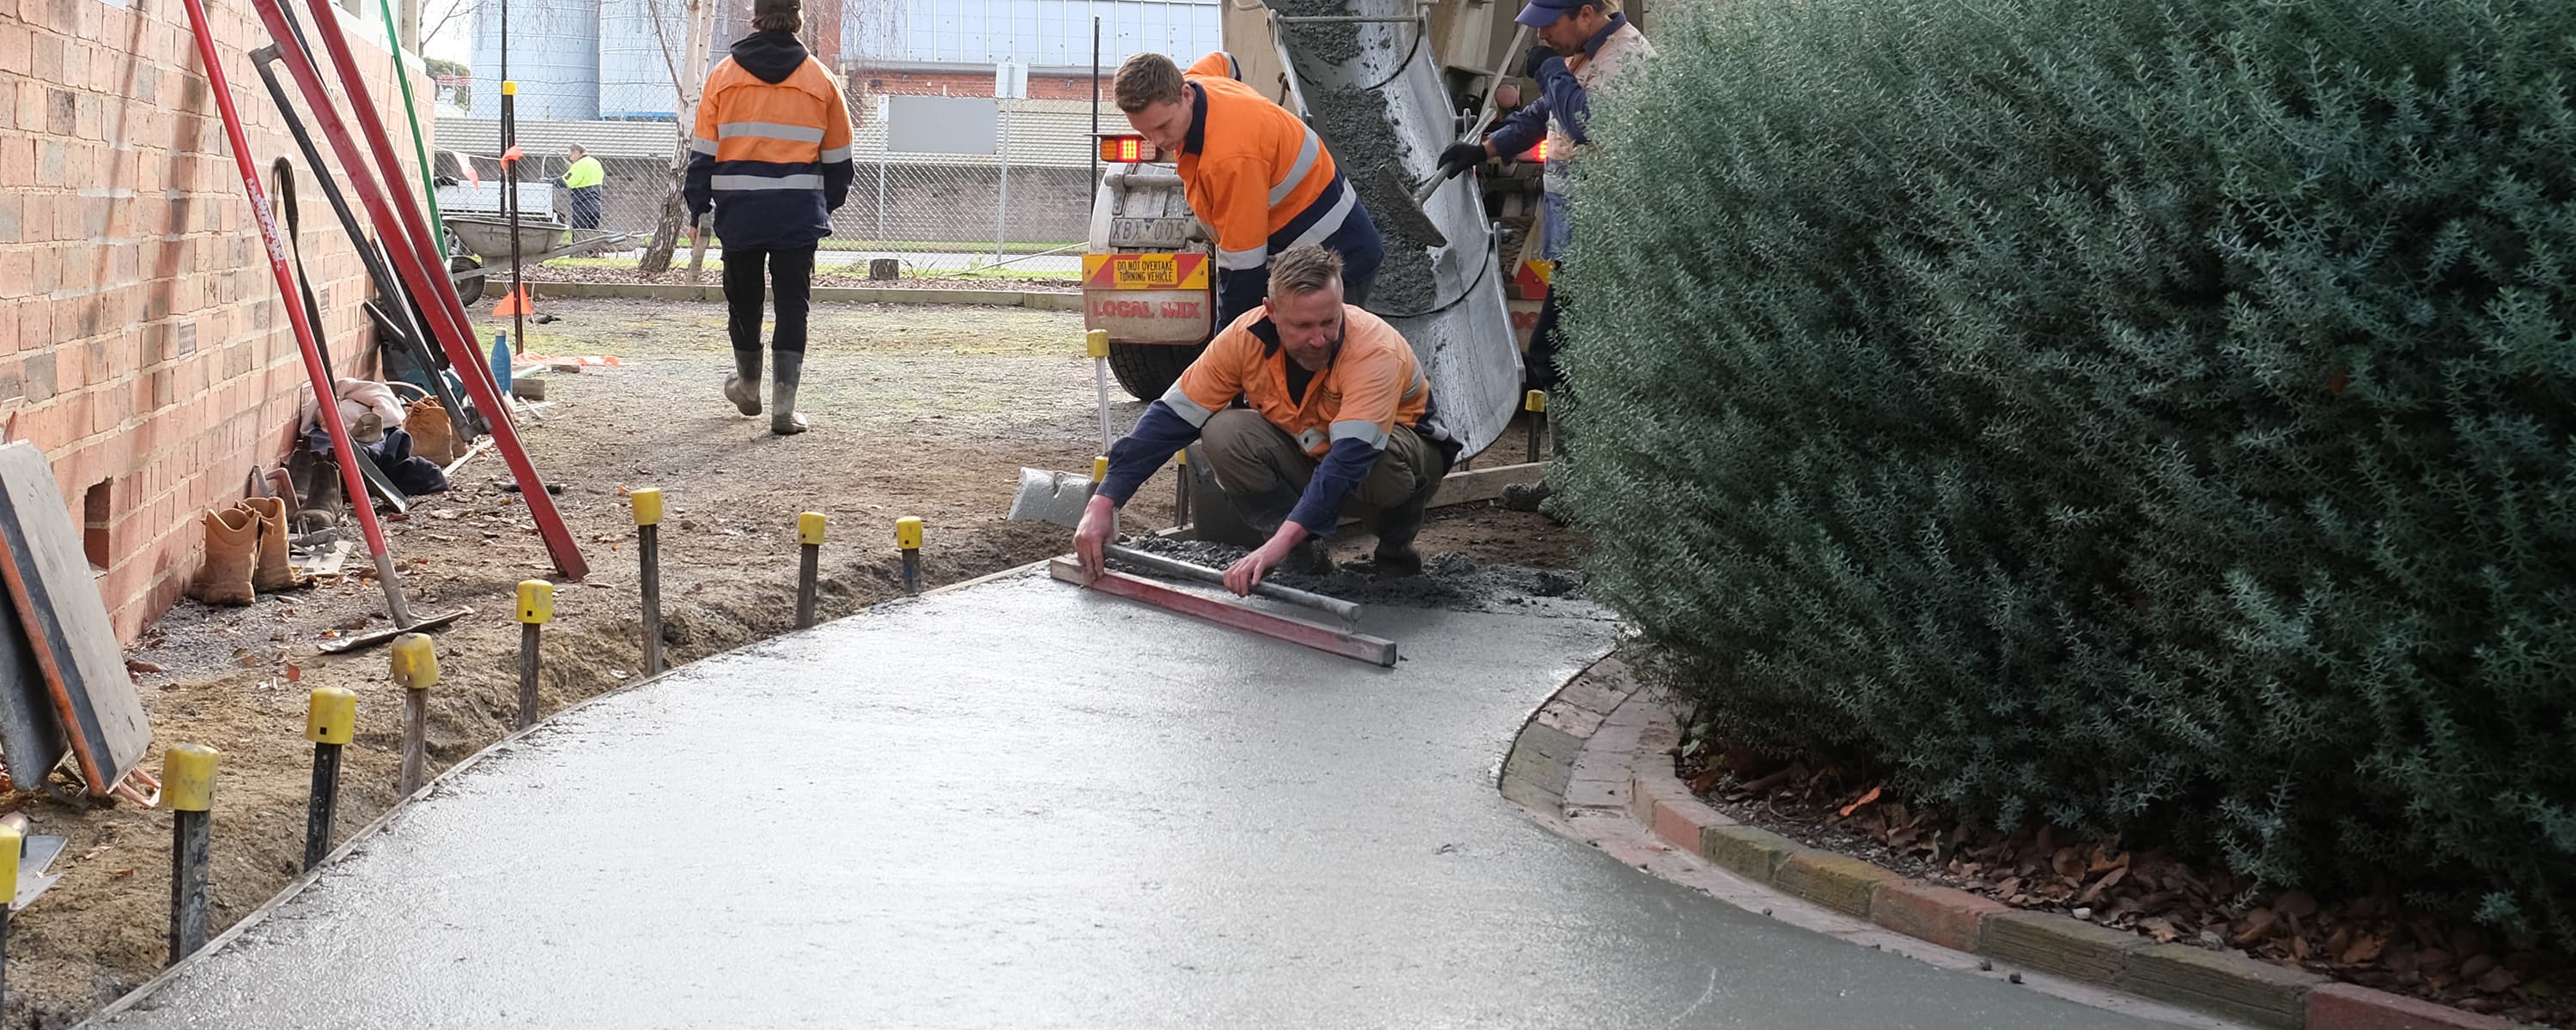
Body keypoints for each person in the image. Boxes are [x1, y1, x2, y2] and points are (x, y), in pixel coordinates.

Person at [1076, 245, 1457, 592]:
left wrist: (1272, 548)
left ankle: (1396, 556)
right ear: (1271, 312)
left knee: (1379, 461)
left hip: (1394, 460)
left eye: (1329, 321)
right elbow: (1172, 417)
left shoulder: (1374, 350)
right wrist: (1104, 502)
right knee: (1224, 433)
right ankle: (1303, 555)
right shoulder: (1244, 337)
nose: (1319, 339)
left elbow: (1349, 461)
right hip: (1315, 449)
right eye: (1303, 326)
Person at [1439, 0, 1651, 512]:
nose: (1542, 36)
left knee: (1557, 357)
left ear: (1585, 12)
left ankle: (1579, 487)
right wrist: (1486, 149)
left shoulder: (1627, 59)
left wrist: (1551, 69)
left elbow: (1586, 123)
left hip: (1607, 241)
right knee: (1561, 358)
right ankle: (1575, 482)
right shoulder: (1584, 53)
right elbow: (1543, 114)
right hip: (1579, 240)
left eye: (1549, 24)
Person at [1113, 52, 1385, 330]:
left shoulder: (1230, 159)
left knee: (1311, 357)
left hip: (1340, 257)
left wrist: (1228, 347)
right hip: (1300, 250)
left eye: (1162, 126)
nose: (1157, 141)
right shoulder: (1198, 80)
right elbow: (1226, 60)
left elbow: (1242, 272)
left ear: (1186, 95)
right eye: (1144, 131)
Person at [683, 0, 854, 436]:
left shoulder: (723, 76)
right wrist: (823, 204)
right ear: (798, 19)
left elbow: (703, 152)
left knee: (744, 300)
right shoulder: (821, 79)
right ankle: (784, 410)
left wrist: (697, 205)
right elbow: (839, 161)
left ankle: (748, 386)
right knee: (793, 305)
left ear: (754, 17)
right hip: (797, 214)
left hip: (740, 214)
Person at [556, 144, 605, 231]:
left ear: (577, 152)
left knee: (579, 233)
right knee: (592, 233)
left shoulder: (580, 164)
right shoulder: (596, 163)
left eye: (571, 155)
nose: (570, 159)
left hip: (582, 204)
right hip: (596, 204)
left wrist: (549, 181)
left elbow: (566, 181)